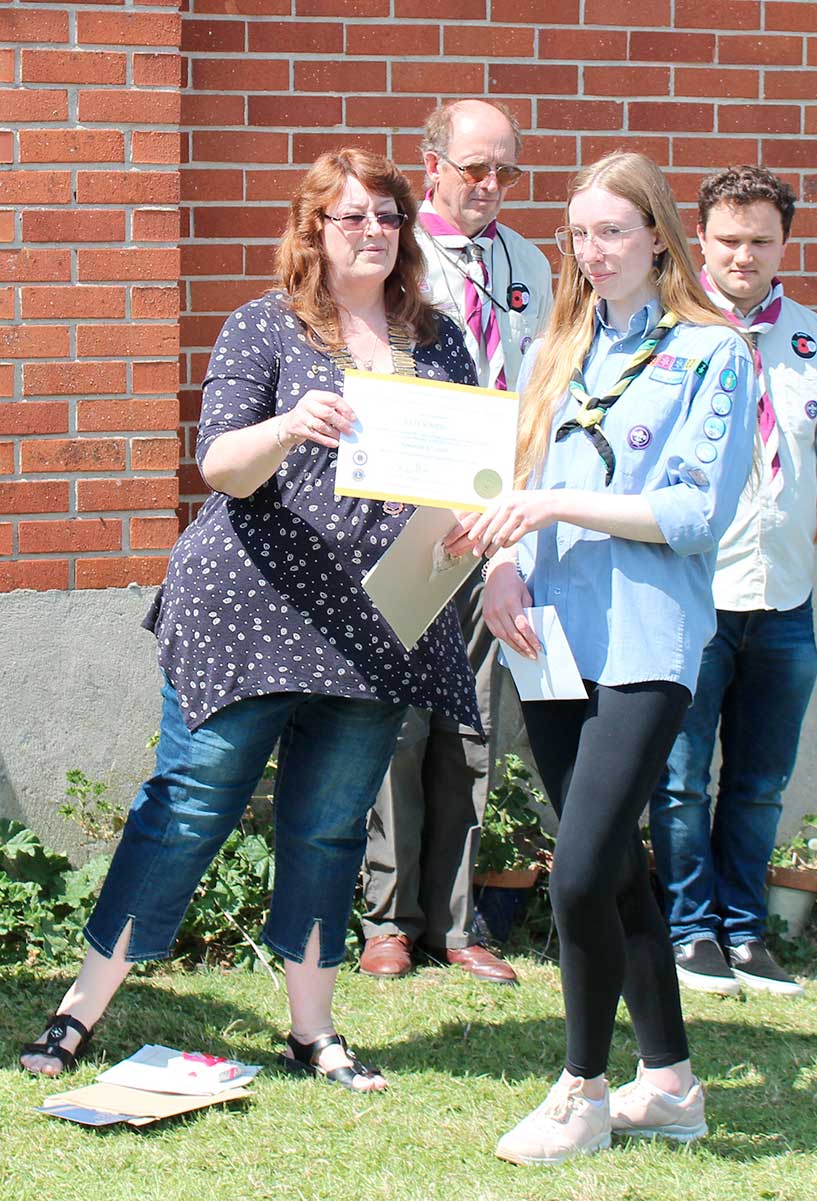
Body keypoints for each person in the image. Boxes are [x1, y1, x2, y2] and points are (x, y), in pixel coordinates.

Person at [19, 149, 481, 1093]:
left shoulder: (437, 339)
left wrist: (479, 530)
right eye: (350, 217)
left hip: (375, 626)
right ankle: (79, 1009)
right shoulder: (264, 328)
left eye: (388, 217)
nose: (373, 233)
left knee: (327, 830)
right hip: (249, 615)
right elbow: (221, 465)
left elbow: (464, 473)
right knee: (186, 808)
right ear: (313, 230)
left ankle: (314, 1033)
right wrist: (288, 424)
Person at [448, 150, 757, 1165]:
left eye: (613, 230)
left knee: (578, 869)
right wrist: (501, 567)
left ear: (658, 237)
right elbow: (511, 475)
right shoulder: (554, 343)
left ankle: (580, 1091)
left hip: (646, 640)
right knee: (615, 869)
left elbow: (687, 512)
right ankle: (668, 1084)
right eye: (580, 233)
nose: (594, 250)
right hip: (549, 637)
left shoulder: (713, 351)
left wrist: (550, 505)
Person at [650, 166, 817, 999]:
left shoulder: (815, 341)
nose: (744, 255)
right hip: (689, 595)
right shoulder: (670, 333)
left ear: (784, 244)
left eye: (761, 240)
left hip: (783, 601)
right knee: (676, 776)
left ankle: (744, 933)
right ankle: (688, 931)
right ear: (699, 239)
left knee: (760, 780)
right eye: (729, 239)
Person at [359, 99, 552, 985]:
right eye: (474, 167)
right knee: (398, 722)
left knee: (473, 721)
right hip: (411, 520)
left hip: (494, 524)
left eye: (505, 170)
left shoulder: (528, 263)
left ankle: (456, 919)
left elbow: (542, 385)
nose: (489, 186)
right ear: (429, 162)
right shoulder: (397, 254)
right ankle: (387, 918)